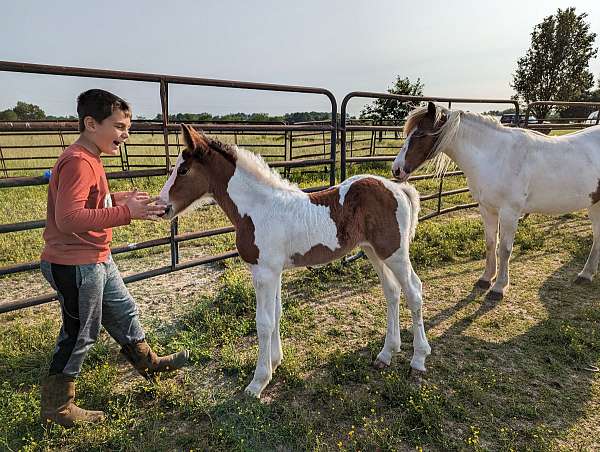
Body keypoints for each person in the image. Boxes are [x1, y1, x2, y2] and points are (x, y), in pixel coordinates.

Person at [39, 89, 189, 427]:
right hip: (75, 263)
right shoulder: (79, 161)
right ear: (91, 123)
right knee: (80, 332)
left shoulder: (90, 157)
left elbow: (88, 203)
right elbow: (68, 219)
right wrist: (124, 212)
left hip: (95, 258)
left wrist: (117, 198)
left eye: (128, 127)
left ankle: (148, 362)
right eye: (120, 126)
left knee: (123, 310)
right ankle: (57, 408)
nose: (126, 134)